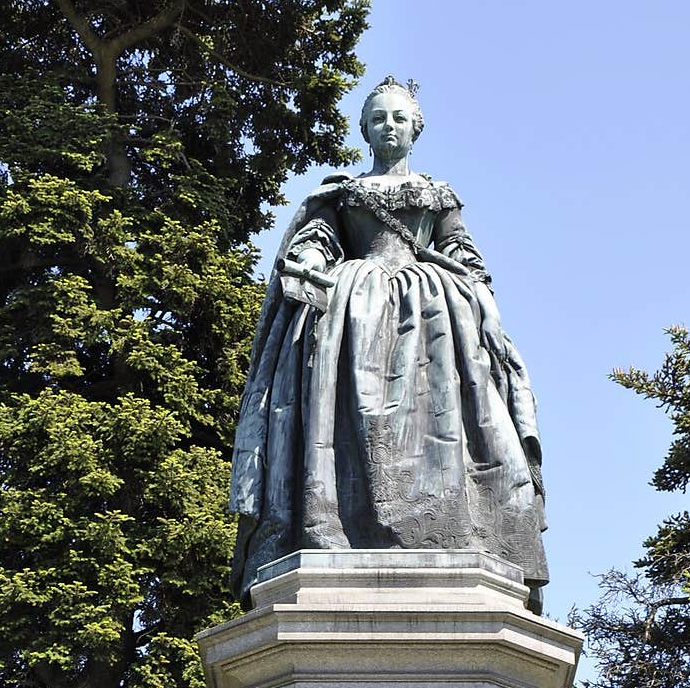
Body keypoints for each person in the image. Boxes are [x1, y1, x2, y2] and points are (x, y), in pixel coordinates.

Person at [230, 77, 548, 612]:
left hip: (432, 318)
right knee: (351, 414)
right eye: (378, 118)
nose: (389, 126)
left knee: (450, 421)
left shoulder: (437, 194)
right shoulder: (341, 192)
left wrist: (478, 298)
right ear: (363, 129)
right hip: (353, 311)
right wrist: (309, 261)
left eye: (399, 118)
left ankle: (448, 522)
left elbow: (461, 252)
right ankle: (335, 520)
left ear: (416, 127)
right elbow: (318, 240)